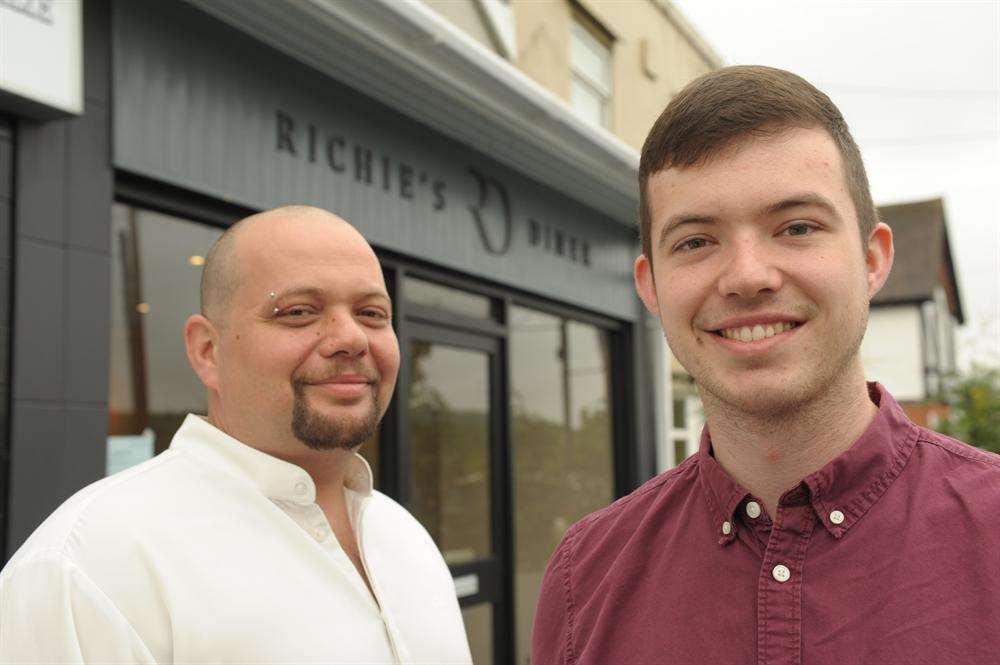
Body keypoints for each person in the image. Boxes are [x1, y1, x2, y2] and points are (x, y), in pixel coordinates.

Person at [532, 66, 1000, 664]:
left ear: (873, 259)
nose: (748, 276)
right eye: (697, 241)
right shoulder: (585, 576)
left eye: (796, 227)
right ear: (650, 287)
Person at [0, 206, 472, 664]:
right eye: (298, 312)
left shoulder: (404, 537)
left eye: (371, 313)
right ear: (208, 351)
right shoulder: (90, 567)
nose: (351, 338)